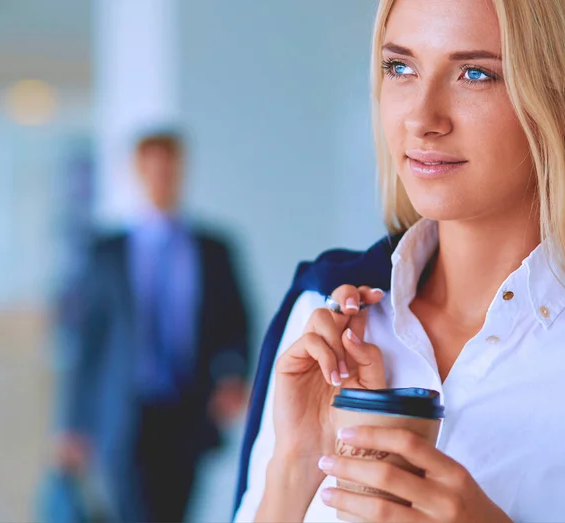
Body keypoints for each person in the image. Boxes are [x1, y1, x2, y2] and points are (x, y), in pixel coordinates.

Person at [234, 0, 565, 521]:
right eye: (401, 67)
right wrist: (295, 465)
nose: (421, 118)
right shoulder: (319, 312)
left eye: (475, 73)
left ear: (553, 91)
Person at [56, 130, 251, 522]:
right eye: (152, 168)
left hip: (189, 410)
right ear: (138, 172)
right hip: (124, 413)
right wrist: (74, 423)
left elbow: (237, 322)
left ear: (181, 171)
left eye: (170, 167)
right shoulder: (107, 253)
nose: (161, 177)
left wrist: (233, 375)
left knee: (176, 513)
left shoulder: (214, 250)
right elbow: (88, 342)